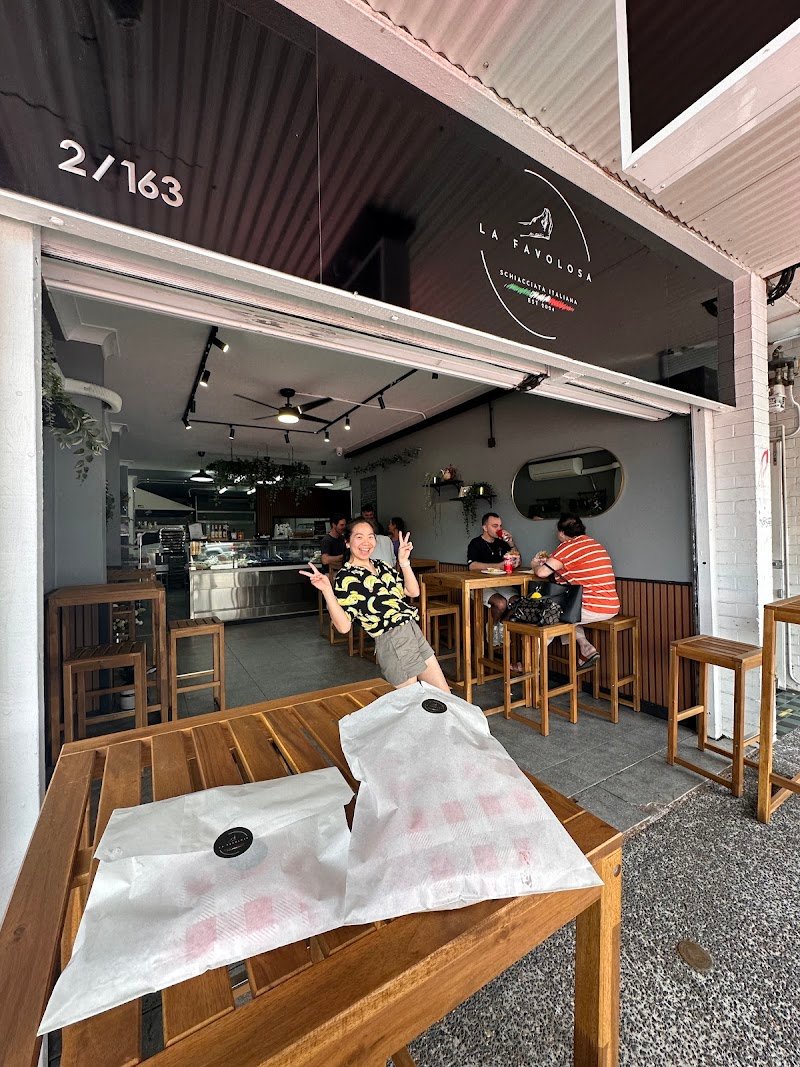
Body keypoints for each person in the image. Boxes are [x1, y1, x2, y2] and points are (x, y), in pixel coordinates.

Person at [301, 519, 450, 692]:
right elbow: (343, 627)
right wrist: (327, 591)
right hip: (392, 637)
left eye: (370, 537)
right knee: (410, 701)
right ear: (347, 542)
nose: (366, 542)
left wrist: (404, 562)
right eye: (359, 537)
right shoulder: (346, 577)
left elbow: (413, 591)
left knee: (444, 695)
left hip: (412, 630)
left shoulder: (381, 565)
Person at [532, 513, 620, 667]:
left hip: (591, 607)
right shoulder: (594, 544)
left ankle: (529, 666)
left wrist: (534, 564)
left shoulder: (566, 547)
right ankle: (586, 647)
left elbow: (542, 573)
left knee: (547, 617)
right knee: (568, 612)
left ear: (561, 532)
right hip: (611, 606)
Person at [466, 511, 521, 626]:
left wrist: (511, 544)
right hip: (480, 585)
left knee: (518, 602)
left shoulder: (502, 543)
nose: (499, 529)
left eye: (500, 526)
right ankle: (492, 628)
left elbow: (518, 561)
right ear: (485, 527)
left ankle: (501, 627)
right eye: (495, 526)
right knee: (500, 603)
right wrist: (498, 566)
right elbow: (472, 566)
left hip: (501, 583)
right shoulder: (475, 543)